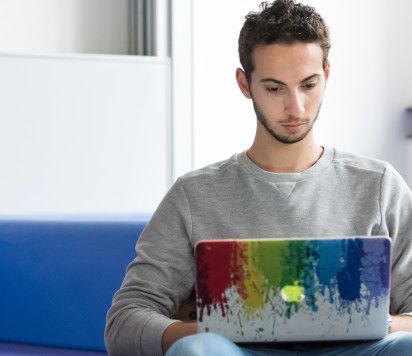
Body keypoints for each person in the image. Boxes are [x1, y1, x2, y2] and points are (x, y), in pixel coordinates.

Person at [105, 1, 412, 355]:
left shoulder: (379, 185)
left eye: (308, 84)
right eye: (274, 88)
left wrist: (371, 321)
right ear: (244, 83)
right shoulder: (195, 195)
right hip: (238, 352)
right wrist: (211, 331)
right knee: (196, 351)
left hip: (357, 349)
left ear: (327, 75)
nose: (295, 107)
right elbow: (124, 321)